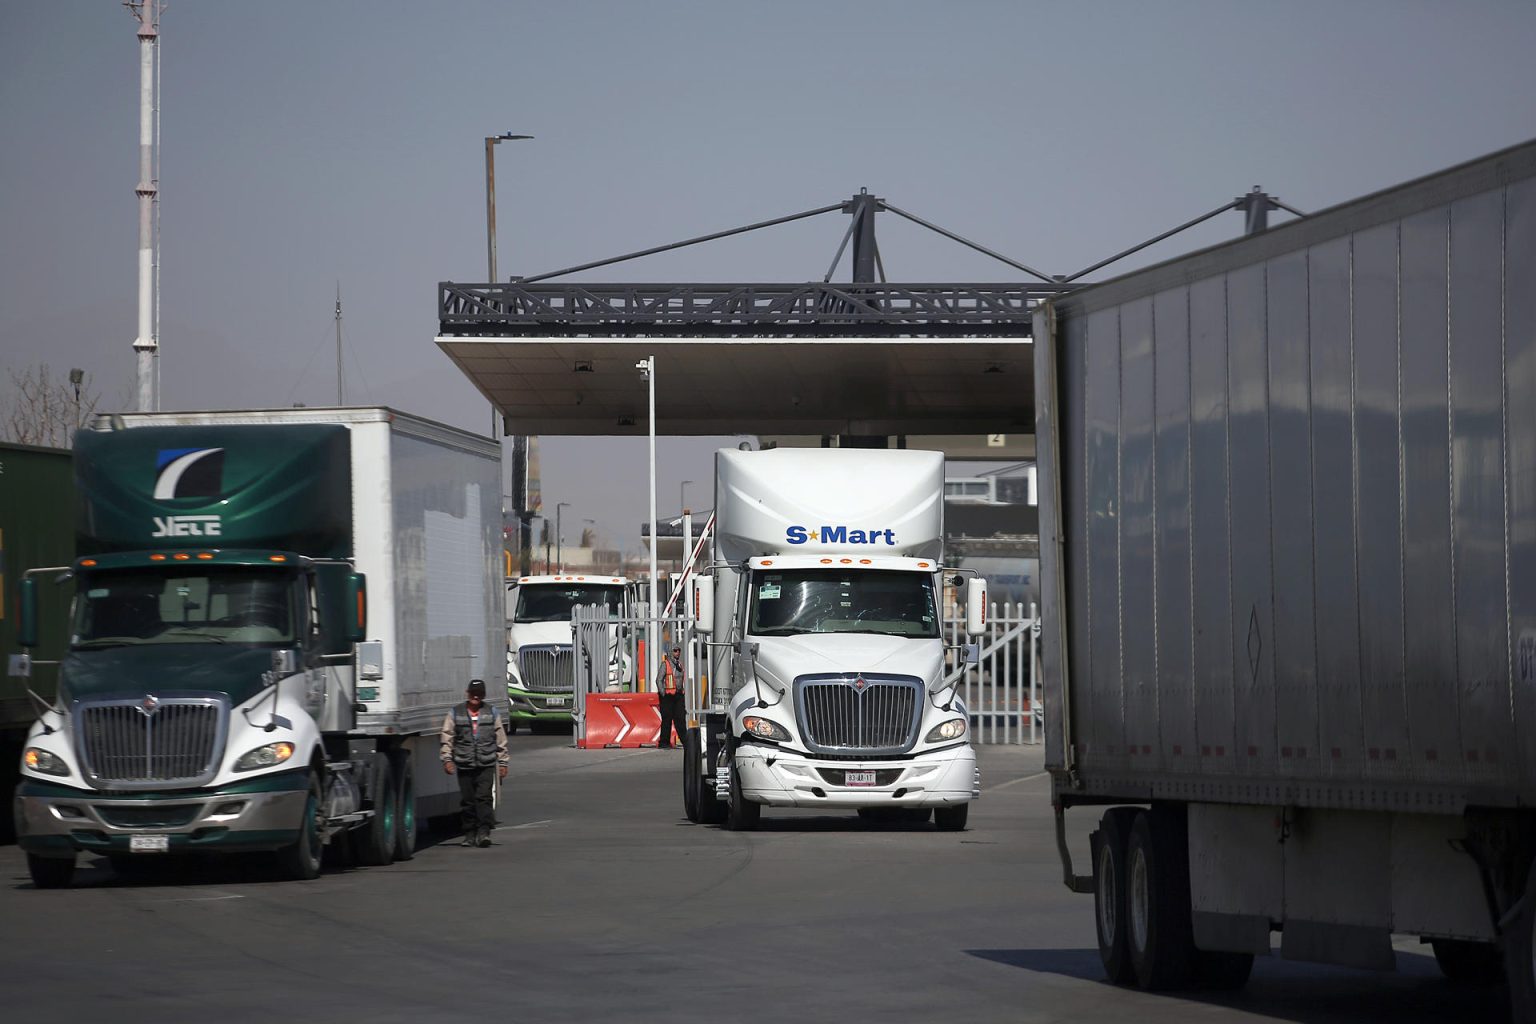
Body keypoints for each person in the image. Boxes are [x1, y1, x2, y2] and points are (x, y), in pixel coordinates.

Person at [439, 680, 508, 847]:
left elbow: (501, 739)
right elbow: (447, 737)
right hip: (464, 763)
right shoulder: (456, 713)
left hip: (486, 763)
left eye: (479, 693)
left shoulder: (492, 713)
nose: (476, 696)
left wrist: (503, 762)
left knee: (484, 798)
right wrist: (447, 759)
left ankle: (484, 832)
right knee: (468, 800)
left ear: (483, 695)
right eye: (473, 693)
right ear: (467, 693)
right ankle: (469, 833)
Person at [655, 645, 687, 750]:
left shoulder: (680, 665)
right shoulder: (666, 664)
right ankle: (664, 742)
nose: (677, 652)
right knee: (667, 719)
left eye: (679, 650)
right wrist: (663, 693)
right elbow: (659, 679)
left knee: (680, 719)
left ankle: (686, 741)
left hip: (678, 695)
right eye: (675, 650)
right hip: (668, 696)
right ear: (670, 652)